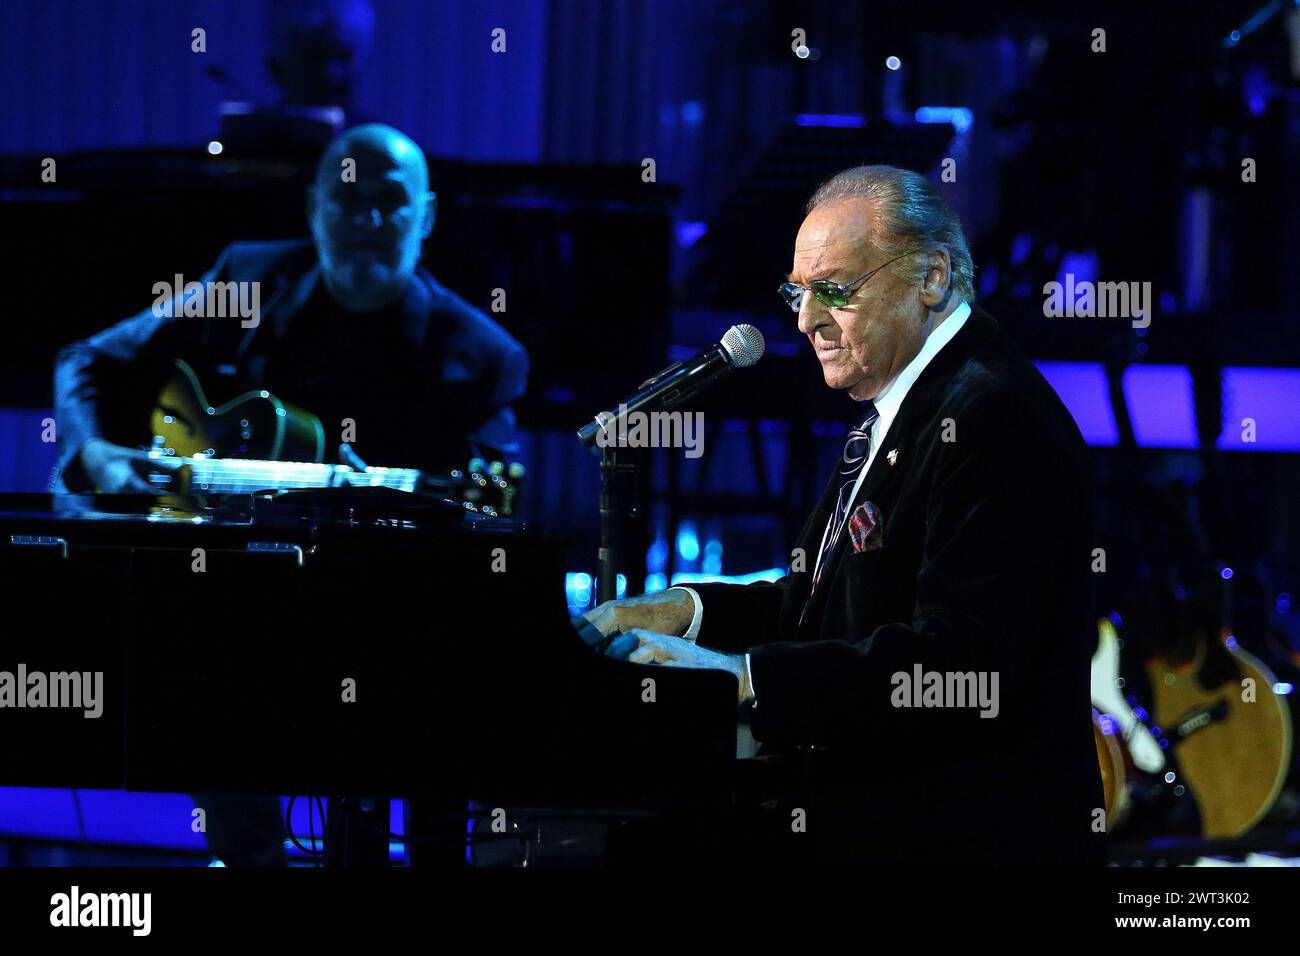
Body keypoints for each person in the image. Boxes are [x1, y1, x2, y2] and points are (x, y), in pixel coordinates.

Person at [586, 165, 1105, 866]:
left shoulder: (992, 417)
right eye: (797, 293)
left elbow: (961, 666)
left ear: (931, 279)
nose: (805, 321)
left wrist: (738, 678)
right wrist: (682, 611)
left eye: (834, 289)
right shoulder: (906, 403)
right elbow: (824, 609)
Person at [55, 123, 528, 494]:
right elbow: (86, 358)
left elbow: (480, 517)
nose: (368, 220)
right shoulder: (244, 280)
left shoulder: (484, 357)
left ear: (426, 218)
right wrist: (95, 454)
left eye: (390, 200)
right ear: (312, 209)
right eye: (347, 199)